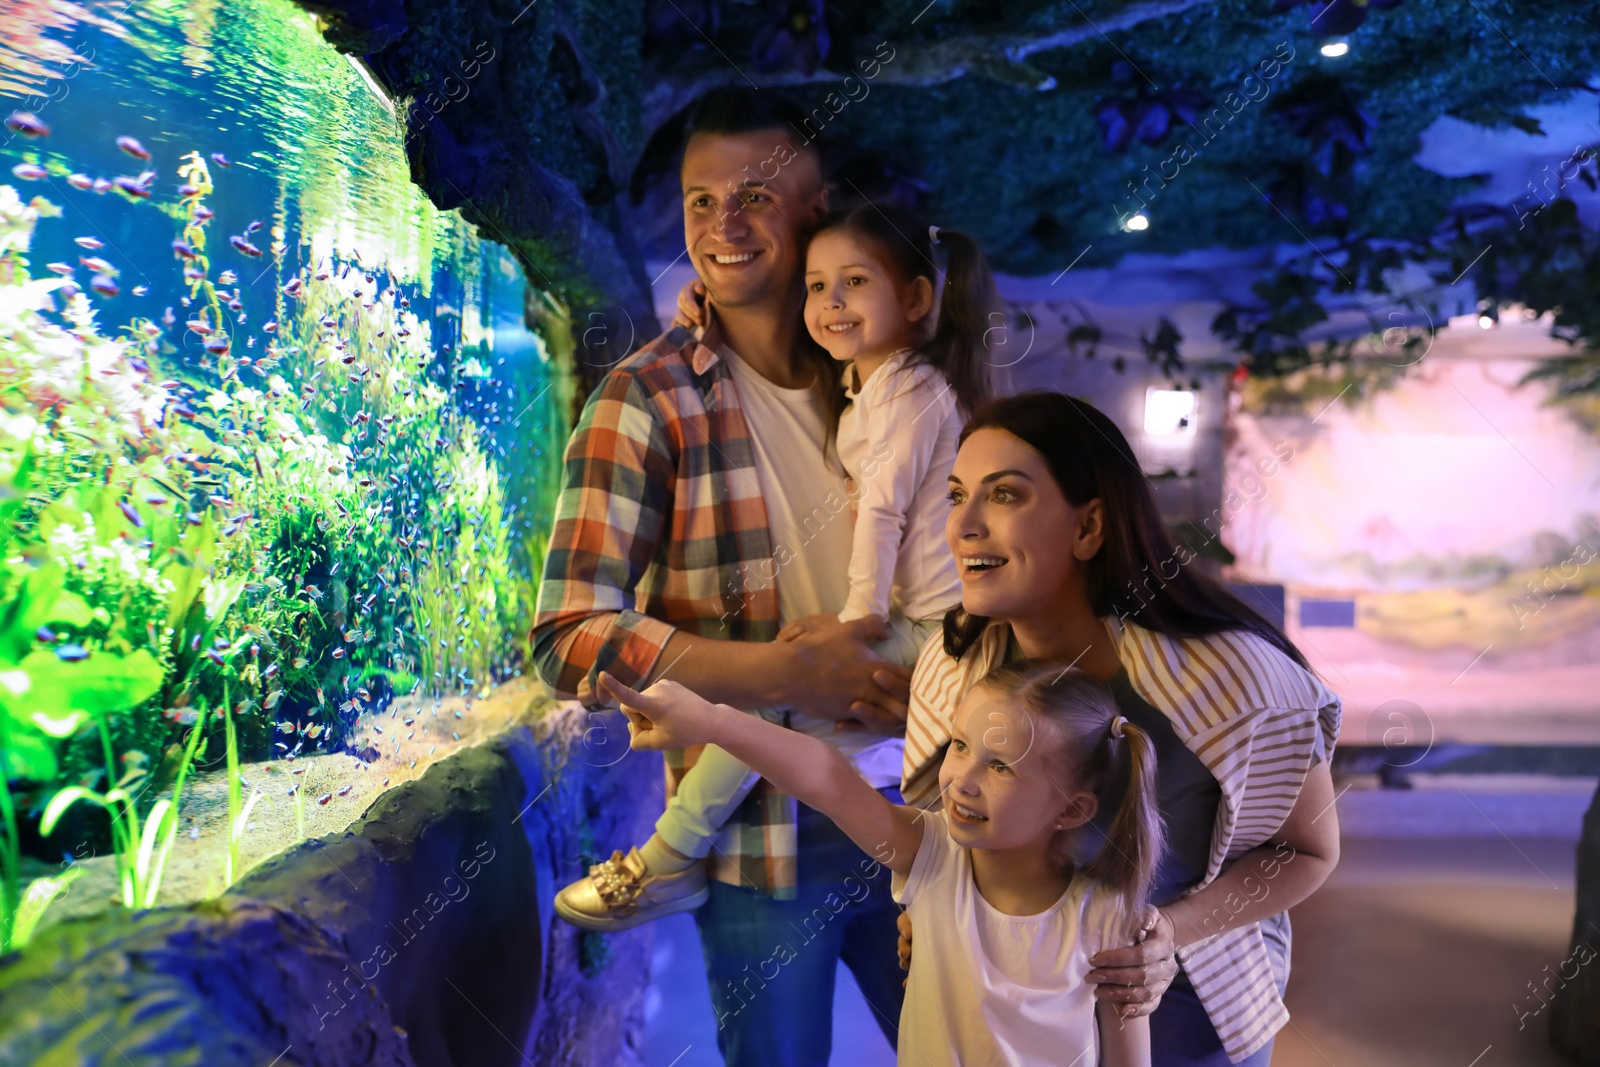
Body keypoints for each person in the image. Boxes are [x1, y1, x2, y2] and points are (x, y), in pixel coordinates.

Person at [529, 88, 912, 1066]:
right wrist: (783, 677)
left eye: (753, 196)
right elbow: (569, 637)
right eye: (701, 201)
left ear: (819, 211)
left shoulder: (898, 379)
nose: (721, 227)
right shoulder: (644, 399)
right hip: (759, 841)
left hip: (938, 812)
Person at [556, 203, 1003, 935]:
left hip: (936, 626)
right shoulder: (873, 382)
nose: (829, 304)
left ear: (917, 299)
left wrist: (856, 619)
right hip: (922, 626)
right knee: (795, 705)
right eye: (817, 285)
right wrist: (707, 319)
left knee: (775, 688)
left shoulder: (910, 389)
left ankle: (668, 857)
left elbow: (884, 510)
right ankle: (683, 857)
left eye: (853, 283)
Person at [896, 391, 1342, 1066]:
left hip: (1185, 1020)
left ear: (1089, 525)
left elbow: (1308, 850)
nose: (964, 527)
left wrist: (1168, 930)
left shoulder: (1232, 677)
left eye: (1005, 495)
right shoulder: (952, 665)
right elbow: (946, 835)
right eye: (957, 495)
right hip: (1013, 1027)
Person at [598, 656, 1164, 1067]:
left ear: (1072, 809)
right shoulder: (931, 856)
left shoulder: (1112, 920)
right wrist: (711, 721)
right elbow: (827, 778)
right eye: (960, 746)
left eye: (1001, 767)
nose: (961, 781)